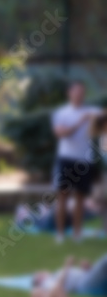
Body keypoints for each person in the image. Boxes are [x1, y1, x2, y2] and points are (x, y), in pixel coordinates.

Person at [51, 80, 103, 243]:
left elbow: (103, 119)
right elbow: (61, 133)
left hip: (85, 161)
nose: (79, 95)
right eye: (76, 91)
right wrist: (80, 122)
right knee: (63, 197)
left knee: (80, 198)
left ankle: (77, 234)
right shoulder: (61, 113)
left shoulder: (91, 111)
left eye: (82, 92)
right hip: (66, 158)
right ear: (70, 93)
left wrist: (98, 120)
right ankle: (60, 234)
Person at [30, 253, 107, 297]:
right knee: (104, 261)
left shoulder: (55, 274)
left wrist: (87, 268)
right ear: (40, 280)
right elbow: (57, 287)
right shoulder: (47, 283)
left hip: (87, 278)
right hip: (83, 285)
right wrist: (67, 266)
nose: (43, 271)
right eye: (39, 274)